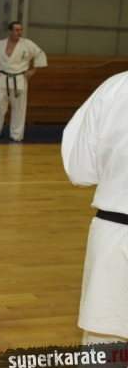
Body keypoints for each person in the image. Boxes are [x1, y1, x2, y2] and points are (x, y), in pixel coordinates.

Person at [62, 70, 128, 345]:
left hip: (115, 233)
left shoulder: (116, 86)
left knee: (107, 348)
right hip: (115, 225)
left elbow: (80, 171)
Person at [0, 21, 47, 142]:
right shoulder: (0, 44)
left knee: (19, 108)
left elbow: (40, 54)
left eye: (20, 30)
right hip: (2, 78)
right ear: (10, 31)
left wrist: (33, 70)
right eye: (17, 30)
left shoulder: (27, 44)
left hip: (19, 79)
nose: (19, 32)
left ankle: (16, 134)